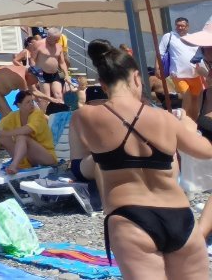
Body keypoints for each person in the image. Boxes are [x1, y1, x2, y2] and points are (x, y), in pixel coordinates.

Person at [71, 39, 212, 277]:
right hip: (179, 216)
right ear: (137, 77)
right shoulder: (165, 120)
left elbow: (80, 163)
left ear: (103, 84)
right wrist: (188, 125)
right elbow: (207, 151)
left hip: (129, 217)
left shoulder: (83, 117)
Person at [0, 90, 55, 175]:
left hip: (46, 157)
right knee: (0, 137)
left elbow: (28, 129)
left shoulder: (37, 114)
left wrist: (6, 133)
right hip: (27, 159)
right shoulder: (14, 116)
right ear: (19, 105)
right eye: (28, 102)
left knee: (22, 136)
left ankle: (13, 166)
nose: (31, 104)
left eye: (32, 101)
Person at [160, 16, 202, 119]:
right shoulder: (169, 36)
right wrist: (157, 67)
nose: (180, 28)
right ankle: (183, 121)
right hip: (178, 74)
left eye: (182, 26)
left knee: (195, 99)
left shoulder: (193, 38)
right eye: (178, 25)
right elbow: (160, 53)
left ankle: (194, 121)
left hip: (194, 74)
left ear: (187, 27)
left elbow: (200, 55)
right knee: (187, 97)